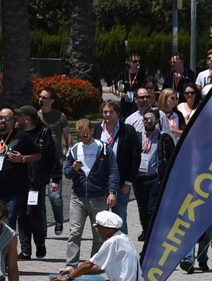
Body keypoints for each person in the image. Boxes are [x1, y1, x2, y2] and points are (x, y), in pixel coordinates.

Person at [61, 119, 119, 271]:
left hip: (99, 197)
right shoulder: (74, 149)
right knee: (74, 232)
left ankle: (95, 265)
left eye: (85, 135)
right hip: (78, 197)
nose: (83, 139)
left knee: (99, 235)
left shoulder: (103, 148)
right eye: (79, 136)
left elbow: (113, 171)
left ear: (92, 131)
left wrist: (112, 192)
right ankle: (70, 265)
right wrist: (73, 169)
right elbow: (67, 173)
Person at [15, 105, 59, 259]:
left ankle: (40, 243)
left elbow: (52, 157)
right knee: (21, 215)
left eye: (19, 116)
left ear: (27, 118)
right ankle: (25, 250)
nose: (17, 118)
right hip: (19, 182)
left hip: (36, 181)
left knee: (33, 213)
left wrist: (55, 179)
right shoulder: (17, 133)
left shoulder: (43, 133)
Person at [94, 100, 140, 233]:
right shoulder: (95, 130)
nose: (107, 115)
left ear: (118, 113)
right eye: (105, 112)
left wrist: (128, 182)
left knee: (119, 218)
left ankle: (122, 243)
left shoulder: (127, 130)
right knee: (100, 220)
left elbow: (135, 158)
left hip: (121, 183)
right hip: (99, 184)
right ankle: (102, 244)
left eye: (111, 112)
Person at [38, 87, 72, 235]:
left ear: (51, 101)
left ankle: (59, 220)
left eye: (44, 97)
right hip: (39, 161)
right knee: (39, 197)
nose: (41, 99)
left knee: (54, 195)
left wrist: (69, 153)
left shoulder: (60, 116)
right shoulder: (35, 116)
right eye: (40, 96)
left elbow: (67, 135)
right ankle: (43, 228)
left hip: (55, 160)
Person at [133, 108, 167, 242]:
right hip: (139, 180)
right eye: (146, 119)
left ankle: (153, 237)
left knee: (152, 210)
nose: (148, 121)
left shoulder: (163, 138)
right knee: (142, 209)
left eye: (151, 119)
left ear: (157, 121)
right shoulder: (137, 137)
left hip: (155, 179)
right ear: (142, 121)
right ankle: (146, 234)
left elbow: (169, 158)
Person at [113, 51, 148, 119]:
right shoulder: (123, 75)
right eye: (135, 61)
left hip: (138, 106)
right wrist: (119, 94)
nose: (137, 63)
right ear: (129, 62)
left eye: (139, 61)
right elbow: (113, 87)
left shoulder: (142, 75)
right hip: (125, 107)